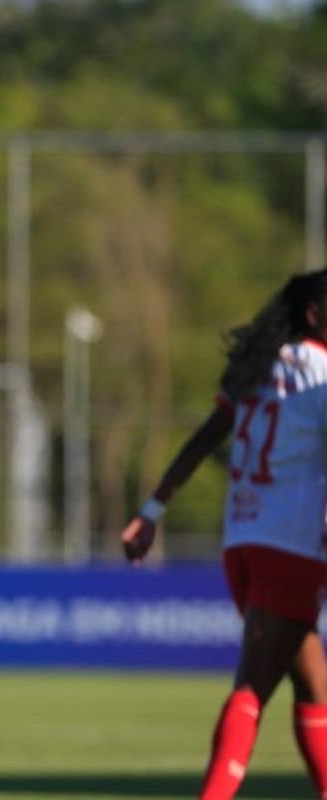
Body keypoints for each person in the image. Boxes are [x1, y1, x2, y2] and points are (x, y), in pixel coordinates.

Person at [119, 269, 327, 800]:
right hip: (291, 545)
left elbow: (203, 439)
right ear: (314, 313)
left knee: (312, 683)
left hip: (243, 543)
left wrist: (151, 508)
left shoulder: (257, 370)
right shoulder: (320, 372)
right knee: (253, 687)